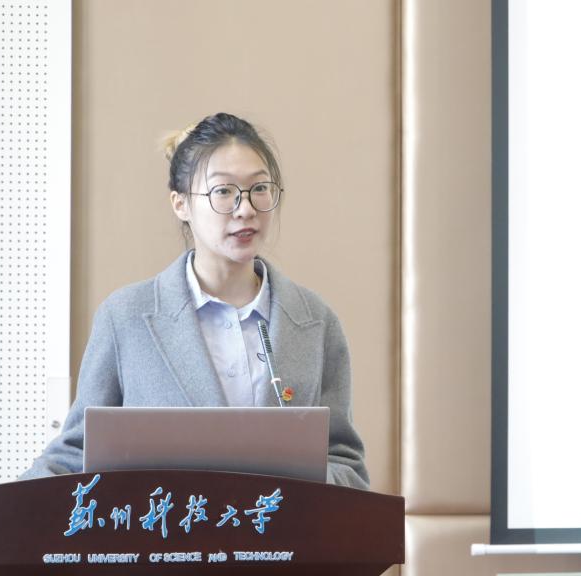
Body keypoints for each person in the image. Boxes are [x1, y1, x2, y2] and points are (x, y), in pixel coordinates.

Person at [20, 112, 369, 489]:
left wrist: (294, 482)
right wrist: (6, 510)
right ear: (180, 203)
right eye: (223, 191)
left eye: (259, 188)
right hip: (166, 528)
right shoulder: (125, 318)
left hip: (281, 528)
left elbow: (345, 463)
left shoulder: (316, 321)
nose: (246, 208)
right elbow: (76, 455)